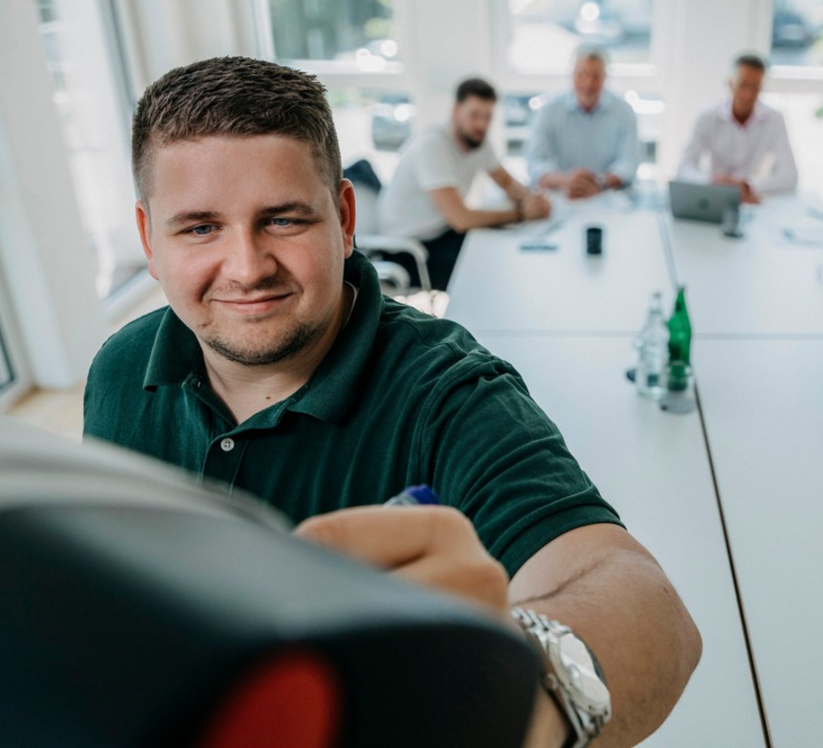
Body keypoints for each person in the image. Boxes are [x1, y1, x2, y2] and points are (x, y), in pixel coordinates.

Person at [83, 56, 700, 748]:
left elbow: (652, 614)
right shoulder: (117, 370)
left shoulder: (449, 394)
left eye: (282, 220)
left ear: (344, 219)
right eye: (200, 228)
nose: (248, 267)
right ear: (150, 240)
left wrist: (514, 695)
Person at [377, 77, 551, 291]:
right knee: (489, 274)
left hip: (442, 233)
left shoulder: (478, 141)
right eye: (474, 115)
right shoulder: (432, 147)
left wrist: (533, 200)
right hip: (410, 250)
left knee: (500, 248)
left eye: (487, 117)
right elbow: (461, 219)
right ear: (456, 111)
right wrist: (523, 213)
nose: (481, 124)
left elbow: (506, 182)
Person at [676, 53, 798, 204]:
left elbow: (790, 176)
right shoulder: (707, 117)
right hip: (714, 198)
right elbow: (683, 169)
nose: (748, 94)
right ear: (730, 83)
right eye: (743, 85)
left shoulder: (774, 119)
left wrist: (747, 185)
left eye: (755, 87)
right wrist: (714, 181)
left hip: (752, 199)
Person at [525, 47, 640, 198]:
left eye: (595, 76)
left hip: (608, 196)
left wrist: (599, 182)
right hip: (561, 196)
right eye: (582, 74)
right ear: (572, 75)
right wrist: (566, 181)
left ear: (605, 77)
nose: (588, 84)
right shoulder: (549, 110)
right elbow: (535, 163)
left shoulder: (623, 111)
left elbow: (629, 163)